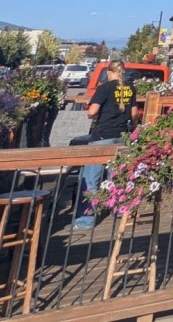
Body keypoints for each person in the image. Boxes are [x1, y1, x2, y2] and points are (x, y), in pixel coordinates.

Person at [73, 60, 138, 230]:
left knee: (91, 178)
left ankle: (86, 220)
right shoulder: (130, 88)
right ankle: (118, 210)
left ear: (109, 72)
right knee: (116, 176)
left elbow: (92, 112)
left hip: (102, 135)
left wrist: (95, 115)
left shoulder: (105, 88)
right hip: (122, 135)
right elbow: (134, 113)